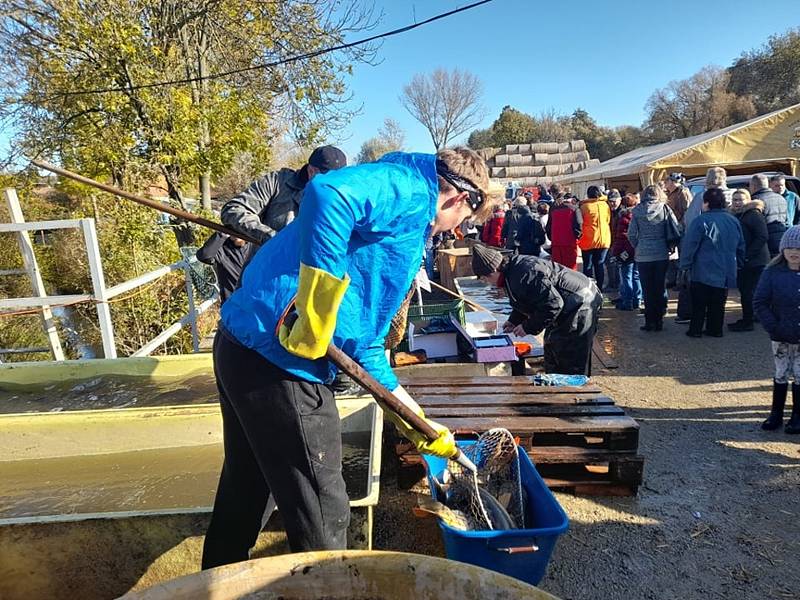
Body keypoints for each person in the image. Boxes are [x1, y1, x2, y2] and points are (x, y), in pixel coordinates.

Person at [202, 147, 494, 568]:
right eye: (463, 221)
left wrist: (419, 423)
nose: (454, 230)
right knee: (326, 511)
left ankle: (214, 586)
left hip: (242, 345)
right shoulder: (411, 188)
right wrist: (318, 298)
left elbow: (366, 347)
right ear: (459, 198)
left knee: (247, 489)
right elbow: (328, 194)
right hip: (279, 361)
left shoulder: (407, 220)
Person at [471, 244, 603, 375]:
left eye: (484, 278)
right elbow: (527, 298)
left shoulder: (523, 274)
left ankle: (576, 391)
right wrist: (514, 320)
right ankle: (555, 386)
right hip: (568, 301)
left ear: (494, 269)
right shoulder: (510, 272)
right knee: (552, 347)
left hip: (581, 301)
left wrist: (527, 327)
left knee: (570, 355)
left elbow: (553, 304)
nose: (487, 283)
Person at [221, 145, 347, 244]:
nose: (334, 186)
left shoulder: (344, 201)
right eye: (329, 179)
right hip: (266, 271)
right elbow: (233, 209)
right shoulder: (276, 182)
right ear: (311, 170)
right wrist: (271, 237)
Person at [753, 225, 800, 434]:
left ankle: (797, 415)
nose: (794, 252)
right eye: (790, 248)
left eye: (798, 249)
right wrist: (772, 325)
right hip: (780, 333)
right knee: (781, 372)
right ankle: (776, 413)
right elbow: (760, 301)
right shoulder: (772, 272)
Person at [680, 188, 745, 338]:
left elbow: (690, 246)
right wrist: (740, 262)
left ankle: (695, 330)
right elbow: (741, 244)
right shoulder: (733, 220)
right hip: (726, 269)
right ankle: (715, 330)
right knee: (718, 303)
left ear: (706, 203)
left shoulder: (700, 221)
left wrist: (684, 265)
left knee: (699, 303)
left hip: (702, 269)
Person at [677, 167, 733, 324]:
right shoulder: (734, 195)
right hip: (727, 250)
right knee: (721, 288)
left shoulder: (702, 197)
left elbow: (691, 222)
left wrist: (686, 258)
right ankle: (715, 323)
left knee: (701, 287)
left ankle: (696, 322)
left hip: (704, 249)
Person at [628, 185, 680, 331]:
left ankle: (649, 321)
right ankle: (659, 320)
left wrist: (638, 246)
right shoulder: (664, 208)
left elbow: (631, 234)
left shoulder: (637, 211)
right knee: (659, 286)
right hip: (661, 252)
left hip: (643, 254)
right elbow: (675, 226)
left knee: (647, 289)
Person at [728, 189, 769, 332]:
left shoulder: (753, 215)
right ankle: (747, 318)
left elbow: (762, 236)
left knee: (748, 291)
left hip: (755, 261)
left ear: (748, 200)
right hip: (743, 260)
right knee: (744, 290)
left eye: (741, 199)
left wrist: (747, 255)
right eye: (735, 200)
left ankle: (748, 321)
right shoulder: (736, 215)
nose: (737, 203)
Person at [195, 233, 253, 304]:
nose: (237, 232)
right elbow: (204, 256)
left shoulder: (254, 246)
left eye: (239, 229)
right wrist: (221, 234)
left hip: (256, 302)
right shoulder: (222, 248)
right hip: (233, 305)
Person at [611, 193, 642, 311]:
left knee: (626, 276)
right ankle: (637, 300)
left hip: (626, 251)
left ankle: (627, 302)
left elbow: (621, 238)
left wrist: (617, 253)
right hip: (637, 250)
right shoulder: (639, 216)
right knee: (636, 276)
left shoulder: (622, 218)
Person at [579, 185, 612, 290]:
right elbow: (608, 220)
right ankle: (600, 289)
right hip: (604, 239)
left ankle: (589, 289)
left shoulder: (584, 207)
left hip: (588, 239)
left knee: (588, 266)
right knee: (599, 264)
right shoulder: (605, 205)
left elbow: (581, 222)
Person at [750, 173, 789, 257]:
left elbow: (756, 227)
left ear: (753, 186)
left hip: (766, 245)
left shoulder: (755, 201)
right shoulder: (781, 198)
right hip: (782, 240)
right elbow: (786, 220)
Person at [665, 173, 692, 287]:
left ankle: (682, 282)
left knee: (681, 255)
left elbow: (687, 211)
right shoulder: (669, 194)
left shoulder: (683, 193)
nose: (666, 184)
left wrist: (682, 225)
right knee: (671, 255)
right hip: (671, 227)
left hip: (680, 228)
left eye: (668, 181)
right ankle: (671, 280)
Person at [546, 193, 583, 269]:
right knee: (570, 269)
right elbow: (579, 225)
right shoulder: (574, 209)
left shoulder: (553, 210)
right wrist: (577, 237)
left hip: (556, 243)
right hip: (569, 242)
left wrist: (552, 238)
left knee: (557, 269)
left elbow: (548, 227)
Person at [605, 190, 622, 292]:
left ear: (619, 200)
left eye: (614, 201)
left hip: (619, 242)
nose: (612, 203)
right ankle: (612, 283)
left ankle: (617, 285)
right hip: (609, 240)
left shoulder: (623, 212)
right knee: (610, 263)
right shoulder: (608, 211)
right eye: (610, 201)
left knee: (617, 264)